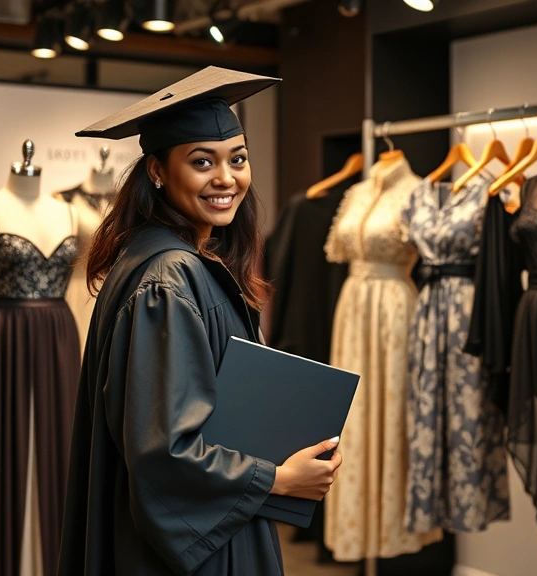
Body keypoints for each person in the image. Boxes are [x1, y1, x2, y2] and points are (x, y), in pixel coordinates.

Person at [58, 67, 344, 575]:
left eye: (238, 159)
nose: (226, 179)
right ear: (158, 171)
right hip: (200, 545)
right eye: (201, 162)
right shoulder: (168, 279)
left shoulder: (162, 257)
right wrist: (277, 478)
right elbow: (164, 451)